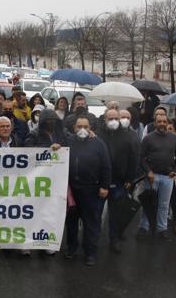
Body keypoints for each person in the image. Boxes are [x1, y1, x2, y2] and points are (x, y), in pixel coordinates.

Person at [65, 115, 111, 266]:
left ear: (90, 128)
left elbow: (106, 166)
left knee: (91, 223)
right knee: (71, 222)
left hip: (91, 190)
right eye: (79, 127)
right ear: (74, 128)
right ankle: (71, 248)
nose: (82, 129)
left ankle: (90, 253)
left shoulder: (98, 143)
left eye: (85, 127)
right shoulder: (69, 141)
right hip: (72, 189)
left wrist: (104, 186)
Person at [96, 109, 138, 253]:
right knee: (97, 213)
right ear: (105, 119)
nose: (113, 121)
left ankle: (114, 239)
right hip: (100, 182)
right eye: (110, 118)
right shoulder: (98, 134)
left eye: (116, 118)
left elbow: (133, 158)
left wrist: (130, 178)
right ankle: (93, 241)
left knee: (115, 215)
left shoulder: (126, 136)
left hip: (119, 182)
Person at [136, 114, 176, 241]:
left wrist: (175, 170)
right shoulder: (148, 138)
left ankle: (162, 229)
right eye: (159, 121)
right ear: (155, 123)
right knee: (149, 204)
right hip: (152, 177)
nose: (162, 123)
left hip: (167, 177)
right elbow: (140, 157)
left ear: (167, 122)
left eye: (164, 121)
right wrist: (148, 171)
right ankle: (144, 227)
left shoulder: (174, 138)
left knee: (164, 205)